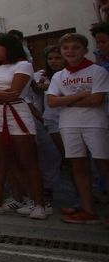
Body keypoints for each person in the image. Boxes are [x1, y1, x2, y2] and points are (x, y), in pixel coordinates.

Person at [0, 34, 47, 218]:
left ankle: (39, 204)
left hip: (18, 113)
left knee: (27, 160)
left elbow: (14, 93)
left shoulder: (23, 65)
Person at [46, 33, 108, 224]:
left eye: (75, 47)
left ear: (85, 50)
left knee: (103, 165)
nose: (70, 51)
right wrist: (77, 97)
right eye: (66, 48)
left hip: (94, 122)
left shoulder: (97, 71)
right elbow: (51, 101)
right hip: (68, 124)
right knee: (78, 166)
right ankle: (88, 210)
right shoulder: (59, 75)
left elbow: (97, 99)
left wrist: (64, 100)